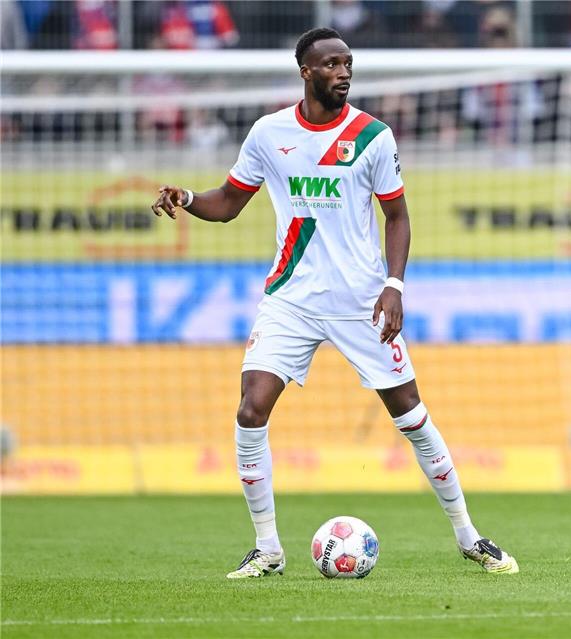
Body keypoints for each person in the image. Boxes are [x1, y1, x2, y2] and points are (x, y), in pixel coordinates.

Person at [150, 27, 519, 579]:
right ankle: (268, 548)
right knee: (251, 409)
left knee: (412, 416)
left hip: (361, 302)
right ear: (306, 71)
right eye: (330, 64)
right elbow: (227, 203)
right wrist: (187, 197)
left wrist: (394, 286)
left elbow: (397, 216)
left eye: (347, 63)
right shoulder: (269, 133)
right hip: (291, 298)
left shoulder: (372, 136)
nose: (342, 72)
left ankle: (469, 536)